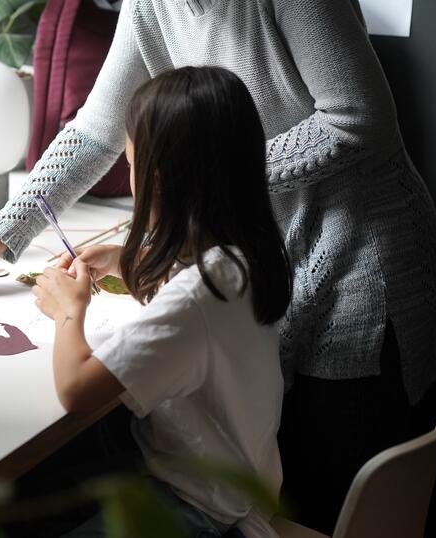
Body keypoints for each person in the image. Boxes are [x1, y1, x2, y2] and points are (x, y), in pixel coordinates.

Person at [0, 0, 436, 530]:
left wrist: (210, 175)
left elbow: (358, 118)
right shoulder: (151, 6)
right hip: (261, 242)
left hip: (360, 259)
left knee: (325, 488)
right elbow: (96, 131)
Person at [31, 66, 290, 537]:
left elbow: (76, 391)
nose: (128, 176)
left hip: (196, 513)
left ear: (157, 178)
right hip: (236, 491)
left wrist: (69, 310)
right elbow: (188, 283)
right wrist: (129, 259)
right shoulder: (245, 257)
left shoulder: (197, 298)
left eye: (130, 165)